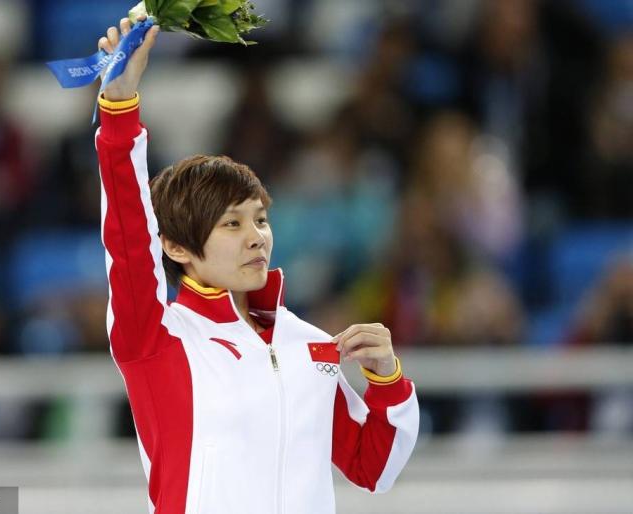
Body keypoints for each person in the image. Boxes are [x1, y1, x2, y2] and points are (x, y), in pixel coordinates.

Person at [95, 16, 419, 513]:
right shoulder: (158, 338)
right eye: (231, 224)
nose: (256, 238)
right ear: (176, 247)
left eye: (261, 220)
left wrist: (387, 380)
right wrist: (119, 109)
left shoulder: (310, 345)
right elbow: (127, 237)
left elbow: (373, 468)